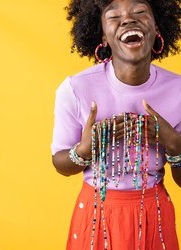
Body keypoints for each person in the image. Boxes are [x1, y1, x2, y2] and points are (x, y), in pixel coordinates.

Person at [51, 0, 181, 249]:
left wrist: (175, 145)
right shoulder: (75, 89)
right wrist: (84, 151)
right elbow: (60, 164)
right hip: (95, 217)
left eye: (140, 12)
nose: (128, 19)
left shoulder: (179, 90)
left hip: (155, 218)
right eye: (113, 16)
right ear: (103, 36)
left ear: (157, 27)